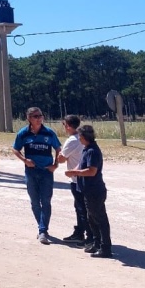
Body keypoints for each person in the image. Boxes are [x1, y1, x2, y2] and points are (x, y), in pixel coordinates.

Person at [12, 106, 61, 244]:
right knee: (34, 201)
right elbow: (15, 149)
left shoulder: (49, 133)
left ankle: (43, 230)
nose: (39, 118)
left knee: (46, 201)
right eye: (35, 116)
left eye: (40, 115)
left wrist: (56, 164)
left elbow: (58, 148)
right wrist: (24, 160)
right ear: (29, 118)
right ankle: (41, 227)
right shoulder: (23, 133)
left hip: (46, 171)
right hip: (31, 172)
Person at [66, 123, 112, 258]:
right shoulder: (87, 149)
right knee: (91, 219)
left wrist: (75, 172)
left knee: (100, 219)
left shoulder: (92, 151)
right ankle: (97, 244)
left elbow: (92, 171)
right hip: (87, 190)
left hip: (95, 191)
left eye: (80, 136)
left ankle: (105, 247)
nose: (78, 138)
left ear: (84, 136)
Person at [56, 114, 90, 246]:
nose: (64, 127)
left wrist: (60, 155)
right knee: (82, 208)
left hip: (76, 178)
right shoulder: (82, 137)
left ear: (69, 126)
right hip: (84, 177)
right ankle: (82, 232)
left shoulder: (71, 140)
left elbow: (62, 159)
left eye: (64, 125)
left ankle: (85, 236)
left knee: (81, 209)